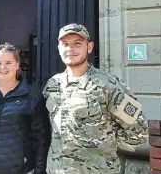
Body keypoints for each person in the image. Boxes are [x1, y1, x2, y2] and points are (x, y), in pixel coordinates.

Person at [43, 23, 148, 174]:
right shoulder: (53, 84)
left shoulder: (107, 85)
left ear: (89, 47)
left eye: (77, 44)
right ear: (59, 48)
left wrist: (106, 146)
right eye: (65, 44)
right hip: (57, 169)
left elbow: (139, 129)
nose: (70, 49)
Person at [0, 43, 51, 174]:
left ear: (17, 65)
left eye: (8, 63)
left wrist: (40, 170)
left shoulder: (32, 96)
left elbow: (41, 139)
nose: (3, 67)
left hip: (19, 168)